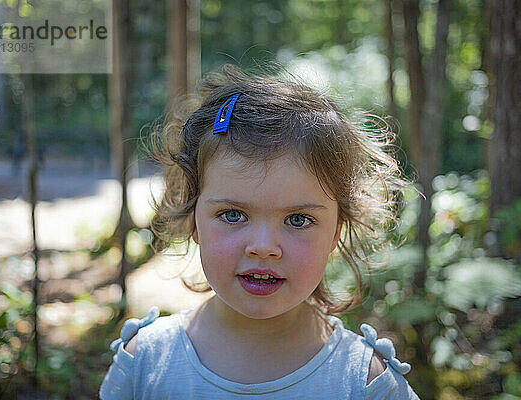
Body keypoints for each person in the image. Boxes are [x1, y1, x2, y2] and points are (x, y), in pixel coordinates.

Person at [99, 64, 420, 399]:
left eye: (298, 220)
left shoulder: (363, 380)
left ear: (336, 232)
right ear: (194, 220)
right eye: (233, 215)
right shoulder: (146, 362)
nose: (264, 247)